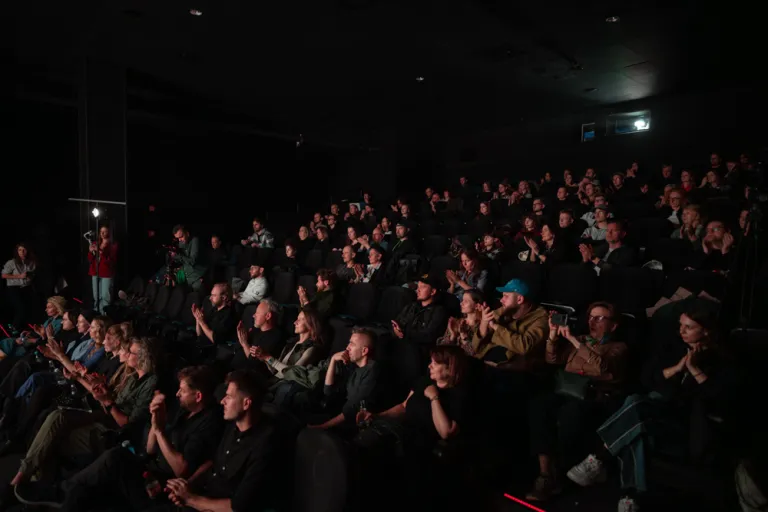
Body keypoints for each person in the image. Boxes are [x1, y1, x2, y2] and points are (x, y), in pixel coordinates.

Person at [565, 302, 736, 512]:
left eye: (689, 327)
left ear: (706, 331)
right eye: (680, 325)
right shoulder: (674, 347)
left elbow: (719, 398)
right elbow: (648, 378)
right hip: (659, 410)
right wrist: (677, 368)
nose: (681, 331)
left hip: (688, 421)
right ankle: (629, 498)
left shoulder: (722, 359)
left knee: (636, 411)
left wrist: (694, 369)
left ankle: (600, 458)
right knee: (637, 417)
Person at [49, 366, 224, 511]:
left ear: (198, 396)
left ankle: (62, 493)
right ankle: (65, 492)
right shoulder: (184, 410)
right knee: (114, 459)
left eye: (183, 391)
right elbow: (150, 449)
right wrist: (155, 422)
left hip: (164, 484)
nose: (177, 394)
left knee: (111, 462)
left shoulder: (208, 422)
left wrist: (160, 430)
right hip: (148, 467)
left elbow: (181, 470)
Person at [9, 337, 159, 492]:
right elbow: (110, 404)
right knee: (56, 416)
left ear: (143, 357)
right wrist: (102, 393)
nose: (127, 354)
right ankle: (26, 479)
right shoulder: (132, 376)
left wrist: (108, 401)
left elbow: (127, 424)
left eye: (131, 352)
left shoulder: (151, 383)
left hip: (114, 429)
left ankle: (25, 481)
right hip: (103, 414)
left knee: (54, 433)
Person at [525, 303, 628, 501]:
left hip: (593, 396)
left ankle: (563, 474)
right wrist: (553, 337)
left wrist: (573, 340)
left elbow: (601, 369)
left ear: (613, 326)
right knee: (539, 404)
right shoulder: (581, 339)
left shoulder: (618, 347)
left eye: (599, 318)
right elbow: (552, 359)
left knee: (570, 414)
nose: (592, 322)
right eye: (590, 317)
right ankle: (545, 472)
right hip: (566, 391)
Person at [159, 370, 279, 512]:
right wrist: (188, 485)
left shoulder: (264, 445)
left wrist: (191, 499)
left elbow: (238, 507)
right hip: (203, 497)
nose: (222, 401)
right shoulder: (231, 426)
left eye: (228, 397)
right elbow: (213, 463)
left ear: (246, 403)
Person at [354, 346, 471, 454]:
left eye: (435, 363)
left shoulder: (459, 395)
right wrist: (377, 416)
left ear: (449, 369)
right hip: (400, 432)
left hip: (420, 446)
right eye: (431, 362)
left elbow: (446, 432)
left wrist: (434, 398)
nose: (429, 366)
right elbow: (404, 407)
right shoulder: (424, 381)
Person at [309, 327, 381, 431]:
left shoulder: (372, 371)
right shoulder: (353, 367)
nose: (347, 348)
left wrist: (321, 427)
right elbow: (328, 391)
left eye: (352, 344)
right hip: (339, 415)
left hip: (354, 425)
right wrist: (333, 359)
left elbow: (351, 410)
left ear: (364, 351)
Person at [473, 279, 549, 366]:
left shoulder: (541, 318)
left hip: (513, 370)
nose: (501, 300)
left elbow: (523, 346)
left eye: (506, 296)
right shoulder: (504, 310)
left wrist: (496, 327)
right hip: (485, 361)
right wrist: (484, 322)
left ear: (519, 299)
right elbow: (476, 347)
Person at [392, 276, 449, 388]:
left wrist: (405, 333)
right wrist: (396, 330)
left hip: (419, 349)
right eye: (418, 287)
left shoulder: (439, 311)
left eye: (422, 287)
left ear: (433, 291)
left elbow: (429, 335)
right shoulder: (412, 306)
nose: (417, 290)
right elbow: (397, 322)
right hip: (401, 342)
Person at [0, 295, 65, 360]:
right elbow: (41, 335)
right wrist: (32, 333)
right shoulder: (49, 320)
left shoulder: (60, 323)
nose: (46, 310)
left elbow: (50, 341)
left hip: (42, 348)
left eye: (49, 307)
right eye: (46, 307)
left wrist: (33, 340)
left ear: (57, 307)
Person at [232, 299, 284, 370]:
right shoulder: (256, 328)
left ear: (268, 316)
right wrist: (241, 335)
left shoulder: (276, 336)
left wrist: (245, 344)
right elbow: (237, 347)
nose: (253, 316)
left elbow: (254, 363)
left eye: (257, 313)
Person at [437, 289, 483, 357]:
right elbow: (441, 351)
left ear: (476, 306)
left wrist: (463, 336)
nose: (461, 303)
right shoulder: (457, 322)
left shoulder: (482, 326)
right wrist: (452, 335)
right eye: (462, 300)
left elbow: (473, 354)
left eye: (466, 301)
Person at [158, 225, 204, 291]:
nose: (180, 240)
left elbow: (192, 261)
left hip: (196, 275)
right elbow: (181, 260)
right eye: (178, 238)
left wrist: (177, 256)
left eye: (181, 237)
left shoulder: (195, 240)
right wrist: (173, 255)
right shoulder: (181, 242)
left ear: (187, 233)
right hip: (187, 273)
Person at [2, 243, 37, 328]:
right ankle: (14, 327)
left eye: (24, 250)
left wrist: (30, 277)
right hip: (14, 288)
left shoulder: (31, 262)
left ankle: (27, 327)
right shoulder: (12, 262)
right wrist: (19, 276)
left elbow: (33, 274)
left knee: (30, 307)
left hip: (26, 287)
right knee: (20, 308)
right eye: (20, 250)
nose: (22, 252)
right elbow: (3, 275)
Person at [87, 225, 118, 314]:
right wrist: (90, 252)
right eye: (101, 232)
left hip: (107, 273)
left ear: (109, 232)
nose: (103, 234)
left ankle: (105, 317)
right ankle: (97, 314)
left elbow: (111, 261)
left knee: (105, 297)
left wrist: (100, 251)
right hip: (95, 272)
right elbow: (90, 259)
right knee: (96, 296)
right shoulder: (96, 243)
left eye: (105, 231)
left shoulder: (113, 244)